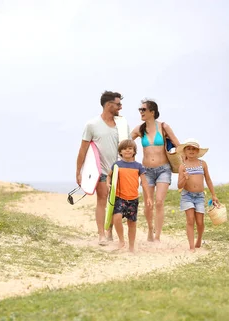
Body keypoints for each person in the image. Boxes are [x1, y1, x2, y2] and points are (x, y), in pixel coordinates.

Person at [76, 90, 129, 245]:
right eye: (118, 104)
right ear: (108, 105)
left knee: (116, 203)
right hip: (102, 170)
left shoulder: (122, 124)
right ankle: (102, 234)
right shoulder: (92, 125)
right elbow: (83, 149)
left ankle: (110, 229)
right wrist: (79, 172)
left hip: (120, 170)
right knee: (102, 200)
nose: (120, 107)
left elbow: (129, 147)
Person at [130, 99, 180, 242]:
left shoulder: (163, 127)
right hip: (147, 171)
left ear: (152, 112)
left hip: (164, 169)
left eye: (143, 110)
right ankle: (150, 230)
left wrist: (185, 163)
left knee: (159, 202)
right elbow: (126, 142)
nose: (141, 112)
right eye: (140, 110)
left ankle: (157, 235)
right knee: (148, 203)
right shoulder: (139, 129)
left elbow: (177, 144)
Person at [106, 139, 151, 252]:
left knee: (132, 223)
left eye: (130, 148)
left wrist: (149, 197)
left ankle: (131, 246)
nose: (127, 150)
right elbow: (109, 176)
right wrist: (108, 184)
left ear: (134, 151)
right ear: (120, 152)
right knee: (117, 218)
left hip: (133, 198)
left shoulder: (138, 166)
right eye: (124, 149)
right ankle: (121, 240)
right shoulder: (116, 165)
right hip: (119, 197)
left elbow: (144, 183)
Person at [176, 138, 220, 253]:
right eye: (189, 149)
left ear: (197, 151)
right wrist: (185, 178)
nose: (191, 151)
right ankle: (191, 246)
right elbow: (179, 185)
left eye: (194, 149)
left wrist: (213, 195)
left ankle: (199, 239)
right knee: (190, 220)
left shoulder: (202, 164)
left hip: (199, 196)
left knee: (200, 222)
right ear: (185, 152)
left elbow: (208, 180)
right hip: (187, 196)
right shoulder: (183, 166)